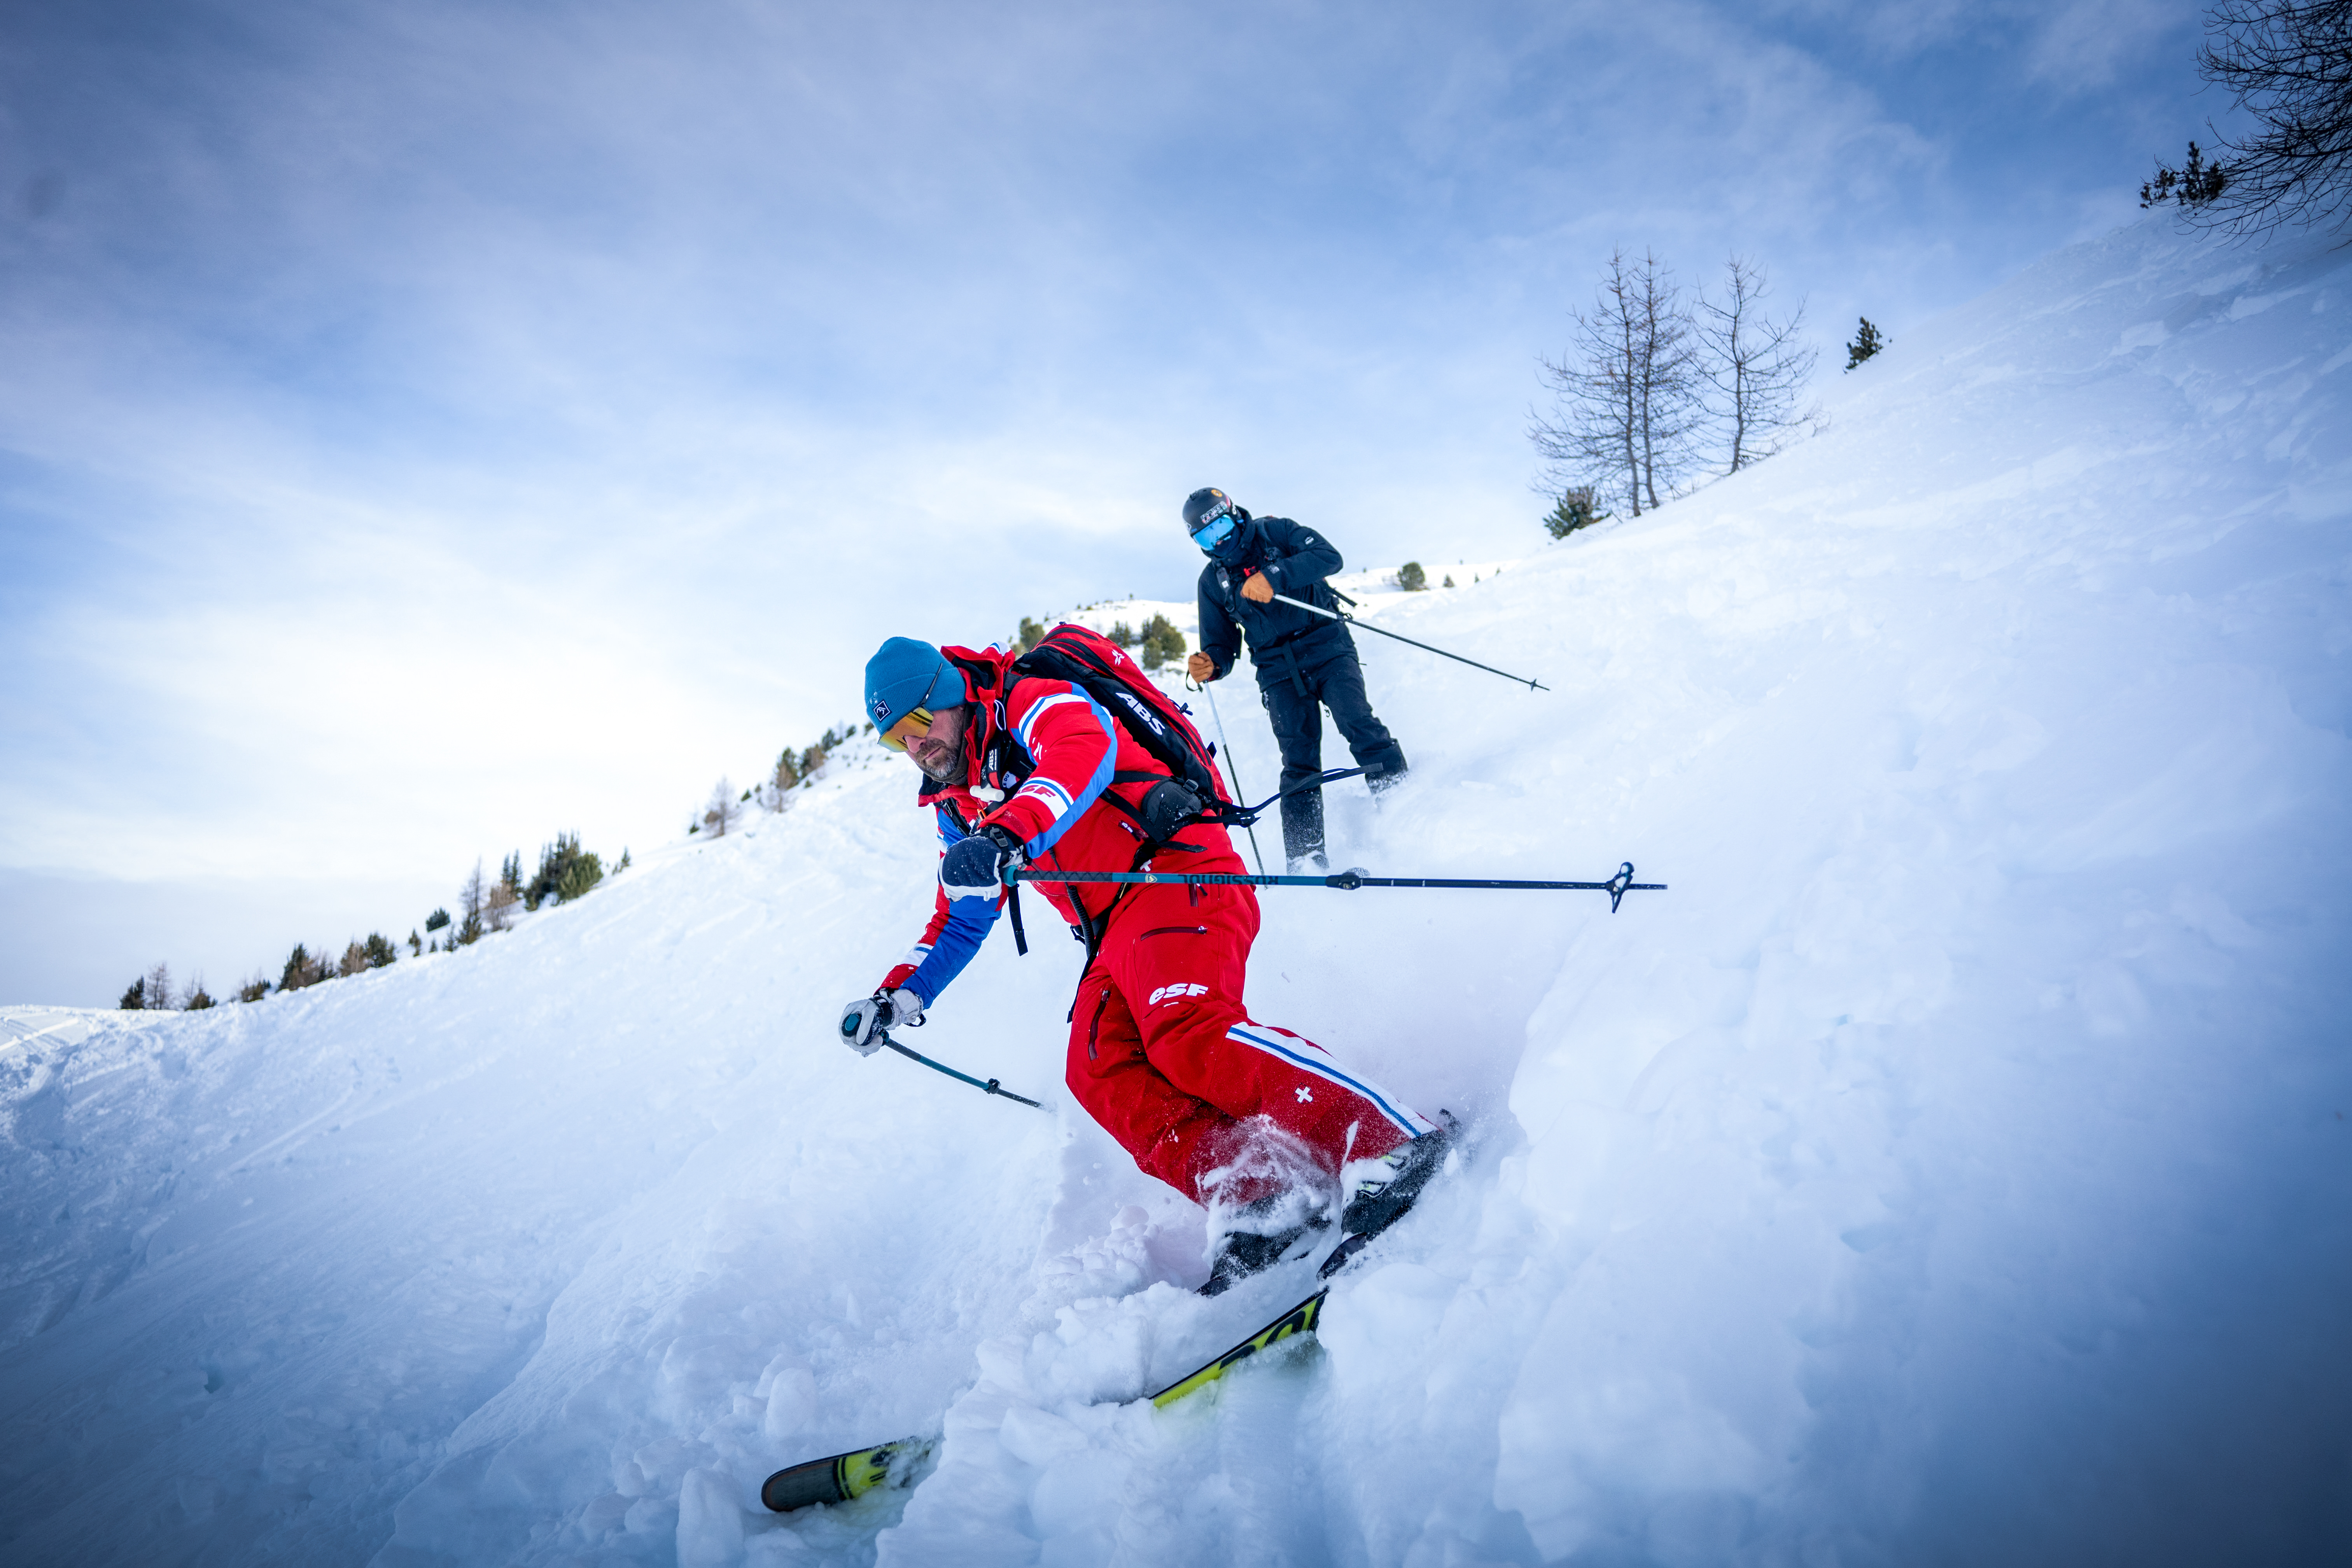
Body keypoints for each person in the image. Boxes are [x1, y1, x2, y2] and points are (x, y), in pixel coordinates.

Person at [841, 633, 1449, 1294]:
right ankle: (1258, 1194)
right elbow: (959, 917)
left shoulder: (1031, 702)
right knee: (1098, 1068)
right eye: (894, 737)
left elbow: (1082, 752)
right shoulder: (960, 806)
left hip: (1175, 872)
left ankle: (1385, 1139)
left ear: (952, 695)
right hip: (1112, 933)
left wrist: (1004, 833)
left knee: (1185, 1028)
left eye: (918, 723)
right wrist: (894, 999)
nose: (913, 745)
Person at [1182, 487, 1407, 873]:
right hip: (1277, 671)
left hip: (1327, 646)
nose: (1218, 540)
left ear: (1233, 515)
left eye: (1220, 526)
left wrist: (1276, 576)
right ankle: (1306, 861)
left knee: (1357, 722)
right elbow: (1221, 645)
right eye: (1205, 536)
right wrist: (1211, 664)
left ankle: (1402, 803)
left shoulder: (1276, 533)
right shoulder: (1212, 582)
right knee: (1299, 760)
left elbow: (1328, 558)